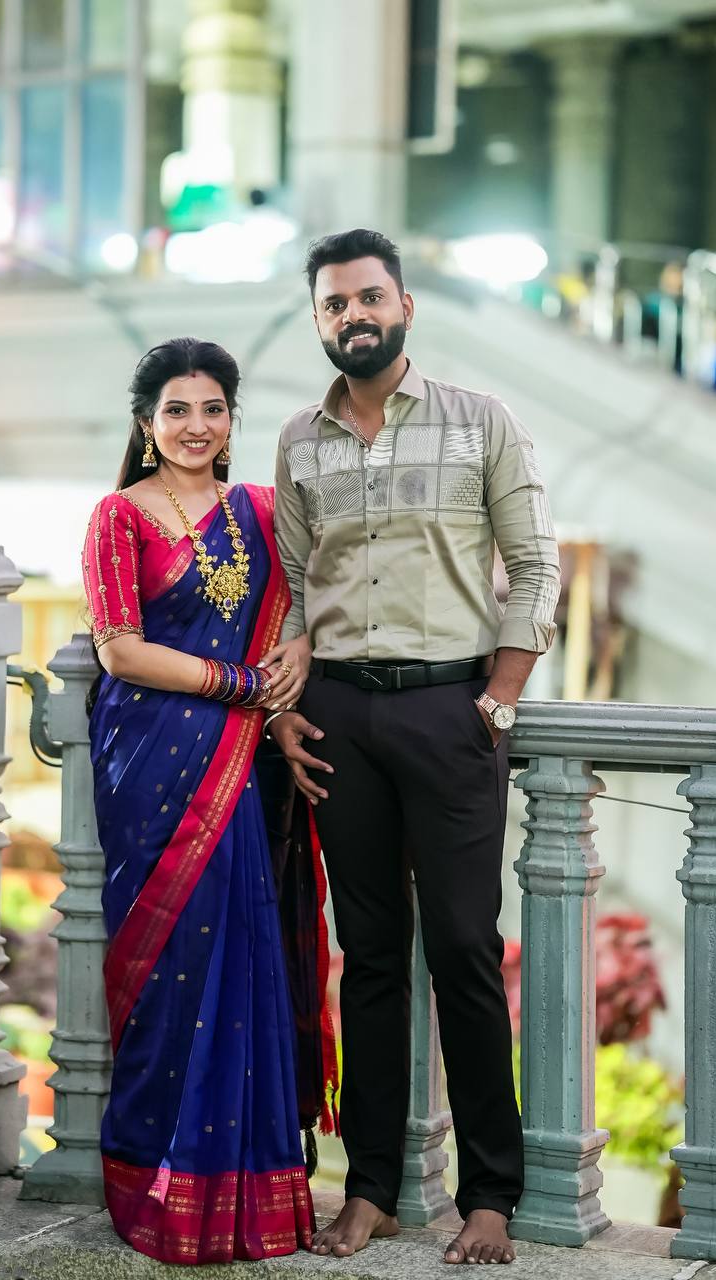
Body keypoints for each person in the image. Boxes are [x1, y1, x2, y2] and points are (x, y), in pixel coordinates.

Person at [263, 229, 561, 1266]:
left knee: (467, 949)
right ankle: (373, 1190)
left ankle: (490, 1196)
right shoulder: (299, 440)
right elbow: (292, 589)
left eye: (368, 297)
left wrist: (500, 698)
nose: (354, 315)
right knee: (371, 957)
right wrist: (286, 706)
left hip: (449, 710)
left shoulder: (481, 421)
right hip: (339, 718)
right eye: (334, 303)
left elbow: (534, 565)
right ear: (318, 319)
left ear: (404, 307)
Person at [81, 337, 323, 1264]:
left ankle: (244, 1194)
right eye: (177, 410)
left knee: (242, 958)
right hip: (152, 766)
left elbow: (304, 605)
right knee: (169, 967)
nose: (196, 426)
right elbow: (119, 649)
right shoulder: (119, 515)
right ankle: (153, 1185)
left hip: (238, 766)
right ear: (147, 424)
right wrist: (240, 685)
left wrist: (294, 662)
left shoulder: (258, 510)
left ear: (230, 419)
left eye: (212, 408)